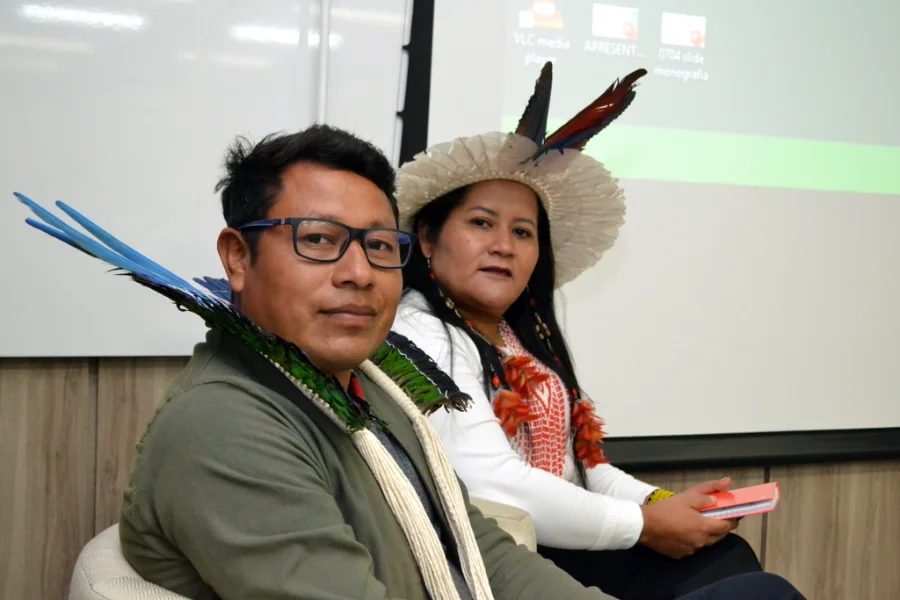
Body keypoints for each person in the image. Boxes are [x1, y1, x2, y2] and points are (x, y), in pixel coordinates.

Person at [16, 123, 806, 600]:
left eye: (376, 247)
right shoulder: (228, 425)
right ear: (237, 257)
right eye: (318, 241)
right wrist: (641, 525)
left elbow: (473, 539)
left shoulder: (369, 384)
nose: (358, 273)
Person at [390, 62, 769, 600]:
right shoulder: (420, 332)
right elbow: (494, 483)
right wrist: (647, 526)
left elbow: (586, 469)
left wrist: (667, 505)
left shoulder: (519, 337)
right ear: (427, 239)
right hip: (506, 562)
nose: (504, 244)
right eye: (481, 223)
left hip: (572, 542)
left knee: (727, 557)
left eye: (522, 231)